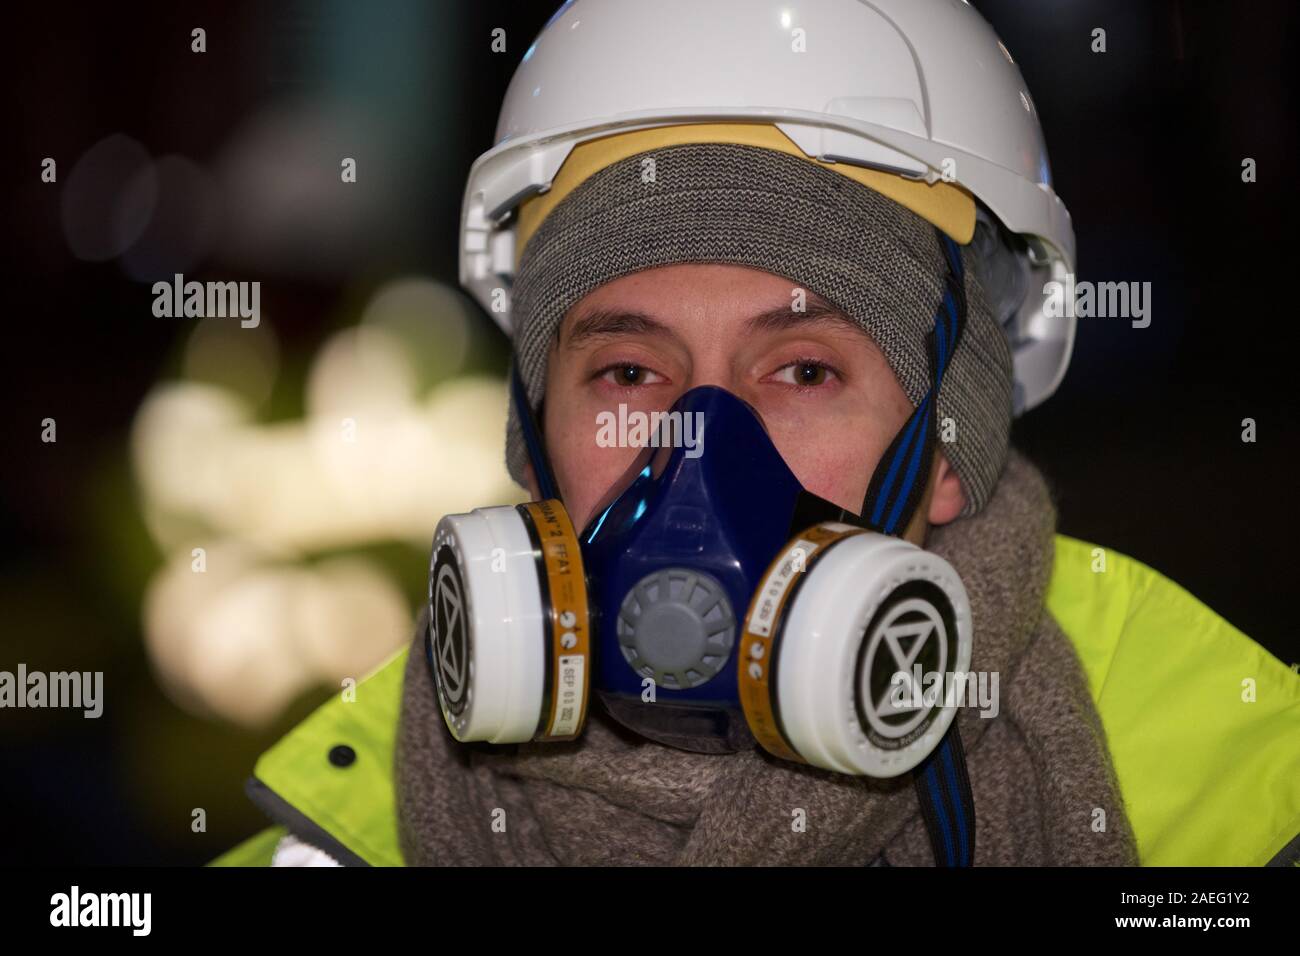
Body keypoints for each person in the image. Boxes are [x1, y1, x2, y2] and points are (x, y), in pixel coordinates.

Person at [212, 0, 1299, 868]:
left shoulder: (1228, 809)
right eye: (628, 370)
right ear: (531, 441)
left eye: (802, 369)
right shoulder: (340, 845)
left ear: (951, 446)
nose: (694, 452)